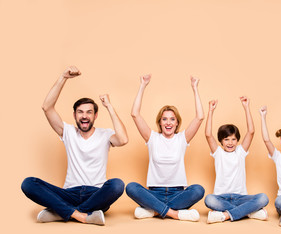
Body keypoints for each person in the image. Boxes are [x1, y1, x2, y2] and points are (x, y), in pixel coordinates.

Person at [21, 66, 128, 225]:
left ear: (95, 115)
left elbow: (123, 139)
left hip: (96, 194)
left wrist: (109, 106)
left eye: (89, 112)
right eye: (80, 112)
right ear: (74, 115)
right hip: (68, 193)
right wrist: (63, 77)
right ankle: (82, 215)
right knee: (28, 183)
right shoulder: (68, 132)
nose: (84, 116)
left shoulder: (105, 134)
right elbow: (47, 107)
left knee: (117, 185)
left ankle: (63, 211)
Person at [126, 74, 205, 222]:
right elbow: (135, 114)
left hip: (178, 193)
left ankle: (155, 211)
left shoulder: (182, 138)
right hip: (154, 193)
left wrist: (195, 88)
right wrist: (142, 85)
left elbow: (200, 117)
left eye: (172, 119)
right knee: (131, 187)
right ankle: (175, 213)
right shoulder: (152, 138)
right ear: (160, 122)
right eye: (164, 119)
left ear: (177, 123)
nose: (168, 123)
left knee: (198, 190)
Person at [204, 97, 269, 224]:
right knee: (209, 200)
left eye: (233, 139)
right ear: (221, 141)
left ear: (237, 140)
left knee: (263, 198)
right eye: (226, 139)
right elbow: (208, 134)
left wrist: (246, 107)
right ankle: (249, 212)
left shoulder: (240, 152)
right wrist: (210, 111)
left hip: (241, 197)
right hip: (220, 197)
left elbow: (251, 131)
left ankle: (225, 215)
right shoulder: (218, 153)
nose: (230, 143)